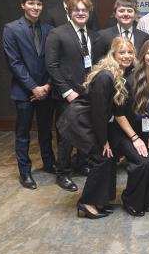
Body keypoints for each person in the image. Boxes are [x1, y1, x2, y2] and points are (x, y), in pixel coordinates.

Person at [57, 36, 135, 219]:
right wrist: (104, 140)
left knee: (108, 158)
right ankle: (86, 203)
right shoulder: (105, 76)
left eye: (130, 52)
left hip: (91, 121)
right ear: (113, 54)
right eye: (122, 52)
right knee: (101, 157)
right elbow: (99, 113)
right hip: (80, 121)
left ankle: (101, 200)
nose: (126, 56)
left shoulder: (120, 74)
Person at [45, 0, 104, 191]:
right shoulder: (57, 33)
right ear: (69, 12)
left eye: (84, 10)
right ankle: (62, 173)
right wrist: (66, 91)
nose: (81, 13)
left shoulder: (94, 36)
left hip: (87, 92)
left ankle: (81, 164)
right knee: (67, 134)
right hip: (67, 95)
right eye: (76, 10)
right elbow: (52, 66)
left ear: (89, 12)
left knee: (85, 130)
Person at [2, 0, 56, 189]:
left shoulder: (49, 29)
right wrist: (33, 87)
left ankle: (49, 163)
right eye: (31, 3)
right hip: (24, 91)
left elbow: (53, 61)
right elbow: (14, 62)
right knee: (23, 133)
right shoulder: (11, 29)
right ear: (23, 5)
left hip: (47, 89)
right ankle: (25, 172)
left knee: (45, 130)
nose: (35, 7)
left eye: (39, 4)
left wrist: (48, 86)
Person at [110, 38, 149, 216]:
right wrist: (135, 139)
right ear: (143, 55)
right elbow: (118, 114)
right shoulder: (130, 79)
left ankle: (145, 198)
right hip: (124, 132)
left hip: (146, 131)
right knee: (142, 162)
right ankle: (131, 200)